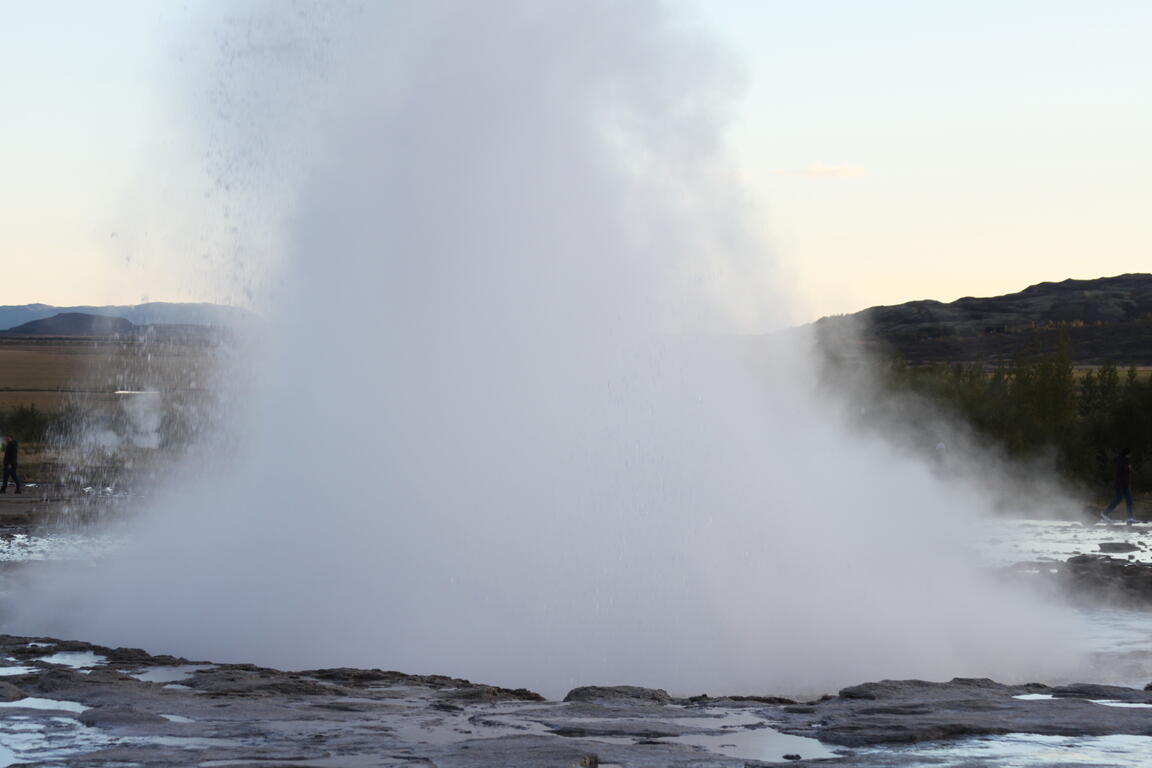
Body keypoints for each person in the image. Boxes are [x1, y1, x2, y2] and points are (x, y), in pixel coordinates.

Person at [1100, 447, 1134, 524]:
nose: (1130, 455)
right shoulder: (1120, 461)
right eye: (1129, 454)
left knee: (1129, 501)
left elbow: (1126, 472)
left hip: (1126, 485)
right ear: (1126, 454)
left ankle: (1130, 518)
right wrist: (1127, 469)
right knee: (1117, 500)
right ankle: (1104, 513)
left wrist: (1128, 469)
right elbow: (1119, 474)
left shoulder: (1126, 461)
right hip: (1120, 485)